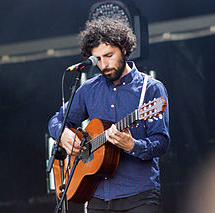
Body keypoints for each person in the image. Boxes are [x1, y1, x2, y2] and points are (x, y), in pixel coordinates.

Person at [48, 16, 170, 213]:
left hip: (140, 196)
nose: (103, 64)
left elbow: (162, 142)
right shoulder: (88, 90)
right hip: (98, 197)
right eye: (98, 59)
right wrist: (62, 134)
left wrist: (133, 146)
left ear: (123, 48)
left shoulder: (151, 89)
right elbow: (57, 120)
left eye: (109, 55)